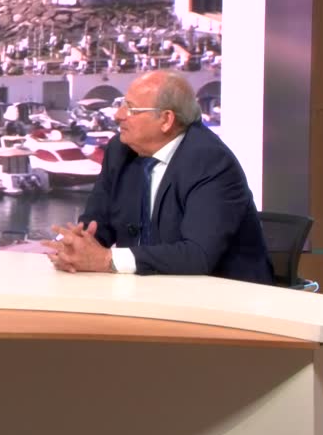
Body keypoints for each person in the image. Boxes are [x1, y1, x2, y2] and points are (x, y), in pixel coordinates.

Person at [46, 70, 273, 284]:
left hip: (227, 296)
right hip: (146, 288)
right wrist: (75, 245)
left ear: (166, 120)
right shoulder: (120, 150)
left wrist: (107, 259)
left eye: (131, 109)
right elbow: (97, 224)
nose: (118, 115)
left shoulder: (210, 161)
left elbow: (198, 255)